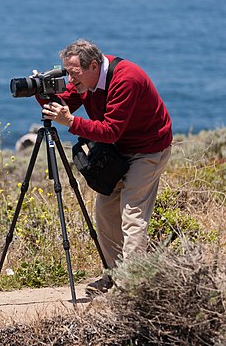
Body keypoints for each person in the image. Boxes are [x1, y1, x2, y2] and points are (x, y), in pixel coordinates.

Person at [40, 39, 172, 295]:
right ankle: (114, 275)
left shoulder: (126, 79)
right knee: (106, 211)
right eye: (66, 72)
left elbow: (110, 131)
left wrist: (69, 121)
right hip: (118, 150)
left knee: (132, 215)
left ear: (92, 66)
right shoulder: (85, 80)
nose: (69, 79)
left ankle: (130, 288)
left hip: (149, 149)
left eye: (73, 73)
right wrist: (40, 91)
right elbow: (63, 104)